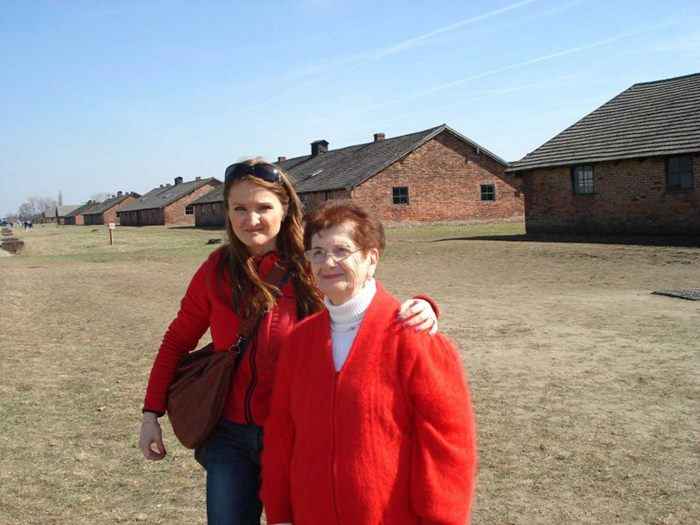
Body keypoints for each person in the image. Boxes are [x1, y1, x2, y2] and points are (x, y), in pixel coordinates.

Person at [138, 160, 440, 525]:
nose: (252, 220)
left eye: (264, 207)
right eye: (240, 209)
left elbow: (365, 300)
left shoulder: (311, 262)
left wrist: (424, 306)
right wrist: (151, 412)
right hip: (229, 437)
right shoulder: (216, 271)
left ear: (285, 208)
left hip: (303, 435)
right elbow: (177, 341)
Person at [262, 203, 477, 525]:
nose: (328, 262)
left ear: (371, 258)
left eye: (342, 250)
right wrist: (279, 513)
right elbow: (281, 433)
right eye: (317, 252)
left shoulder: (413, 336)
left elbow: (447, 443)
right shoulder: (300, 341)